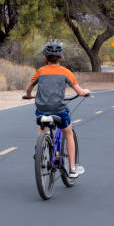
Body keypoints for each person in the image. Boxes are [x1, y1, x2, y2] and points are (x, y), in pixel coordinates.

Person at [24, 42, 90, 178]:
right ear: (62, 57)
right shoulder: (66, 72)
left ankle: (40, 151)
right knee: (69, 133)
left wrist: (30, 95)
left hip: (42, 109)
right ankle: (72, 169)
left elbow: (29, 87)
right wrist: (85, 92)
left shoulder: (40, 71)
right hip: (59, 110)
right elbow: (79, 90)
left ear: (45, 58)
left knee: (42, 127)